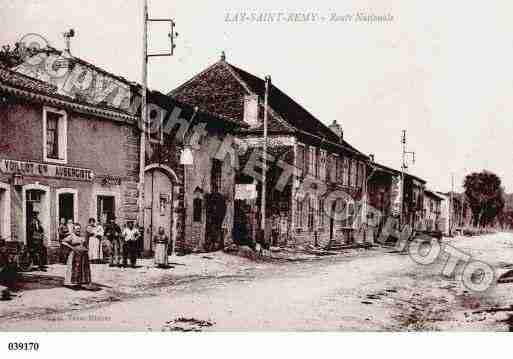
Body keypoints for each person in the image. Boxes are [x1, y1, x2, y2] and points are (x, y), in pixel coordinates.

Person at [62, 223, 91, 289]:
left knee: (82, 269)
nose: (78, 230)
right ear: (74, 229)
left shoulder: (81, 236)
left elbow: (85, 244)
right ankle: (70, 282)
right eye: (76, 229)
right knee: (73, 267)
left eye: (79, 229)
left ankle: (79, 282)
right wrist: (72, 247)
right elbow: (63, 242)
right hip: (74, 254)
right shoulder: (71, 236)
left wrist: (86, 248)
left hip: (82, 255)